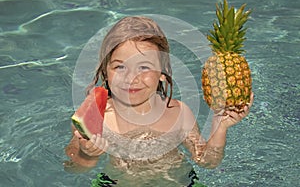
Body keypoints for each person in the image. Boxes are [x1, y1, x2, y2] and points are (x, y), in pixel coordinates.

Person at [64, 16, 254, 185]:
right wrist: (86, 155)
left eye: (144, 67)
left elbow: (207, 161)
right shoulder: (99, 116)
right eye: (120, 67)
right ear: (106, 71)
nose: (132, 77)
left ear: (163, 72)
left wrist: (219, 126)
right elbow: (72, 167)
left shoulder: (179, 113)